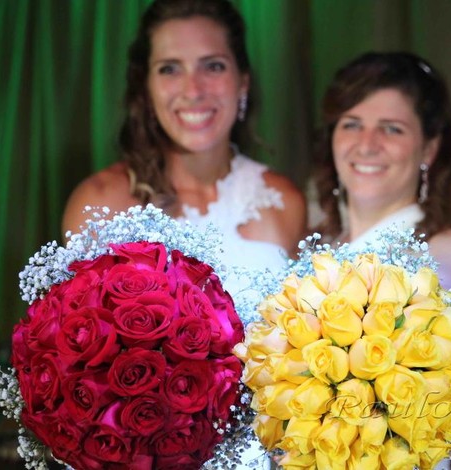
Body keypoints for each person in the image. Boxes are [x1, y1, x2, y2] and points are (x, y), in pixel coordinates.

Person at [61, 0, 306, 467]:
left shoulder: (284, 201)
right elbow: (81, 375)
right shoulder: (99, 202)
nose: (193, 90)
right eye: (170, 68)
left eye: (212, 66)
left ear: (244, 82)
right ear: (146, 88)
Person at [314, 51, 451, 325]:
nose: (366, 145)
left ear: (429, 149)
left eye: (392, 129)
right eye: (352, 125)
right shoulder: (312, 246)